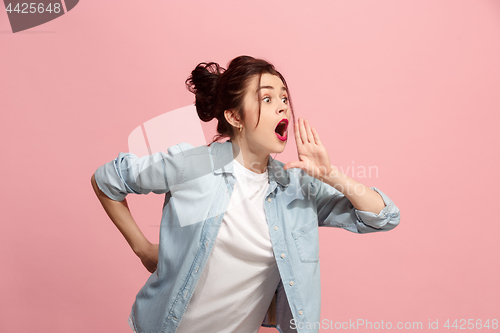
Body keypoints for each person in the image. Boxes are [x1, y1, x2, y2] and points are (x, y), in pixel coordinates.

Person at [90, 55, 401, 333]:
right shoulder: (193, 164)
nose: (283, 105)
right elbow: (107, 180)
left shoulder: (296, 186)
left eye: (284, 97)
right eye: (267, 99)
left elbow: (384, 216)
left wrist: (331, 175)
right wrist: (143, 249)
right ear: (234, 117)